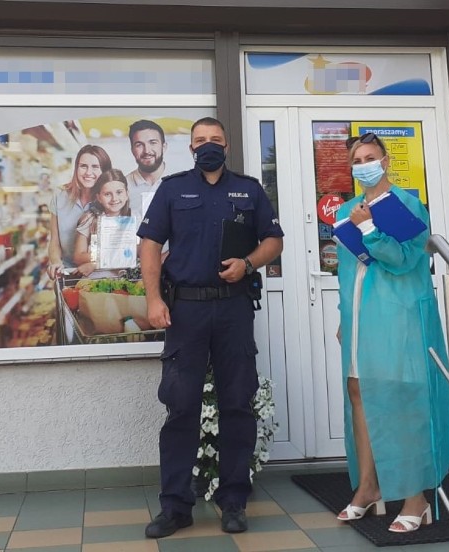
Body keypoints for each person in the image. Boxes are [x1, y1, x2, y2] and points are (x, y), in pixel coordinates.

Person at [137, 117, 284, 538]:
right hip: (186, 312)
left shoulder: (250, 188)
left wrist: (249, 263)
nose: (208, 146)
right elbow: (149, 244)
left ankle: (234, 500)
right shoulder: (173, 188)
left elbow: (274, 239)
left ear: (227, 145)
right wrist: (153, 298)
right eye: (200, 140)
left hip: (234, 310)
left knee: (238, 403)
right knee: (181, 406)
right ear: (190, 148)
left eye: (215, 140)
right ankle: (175, 505)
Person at [334, 132, 449, 533]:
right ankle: (368, 487)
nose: (363, 164)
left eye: (370, 156)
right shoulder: (349, 209)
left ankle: (415, 497)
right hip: (360, 316)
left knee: (402, 395)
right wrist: (343, 316)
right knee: (359, 392)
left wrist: (370, 230)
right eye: (356, 159)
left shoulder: (407, 204)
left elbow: (405, 261)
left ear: (385, 162)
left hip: (399, 312)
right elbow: (348, 271)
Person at [47, 144, 112, 279]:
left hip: (100, 275)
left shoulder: (109, 201)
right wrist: (56, 263)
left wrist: (95, 264)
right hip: (67, 274)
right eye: (83, 166)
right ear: (76, 168)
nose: (88, 172)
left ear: (104, 171)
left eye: (95, 167)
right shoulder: (59, 196)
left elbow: (116, 249)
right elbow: (54, 240)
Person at [72, 169, 133, 278]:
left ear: (127, 194)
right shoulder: (89, 218)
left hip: (125, 280)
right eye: (107, 194)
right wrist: (114, 256)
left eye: (119, 192)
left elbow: (134, 256)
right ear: (99, 198)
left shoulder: (134, 219)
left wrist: (96, 264)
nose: (114, 199)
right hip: (94, 280)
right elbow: (78, 256)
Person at [127, 119, 168, 218]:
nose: (147, 151)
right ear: (132, 150)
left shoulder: (182, 181)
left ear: (164, 147)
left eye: (153, 143)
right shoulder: (122, 186)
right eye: (139, 145)